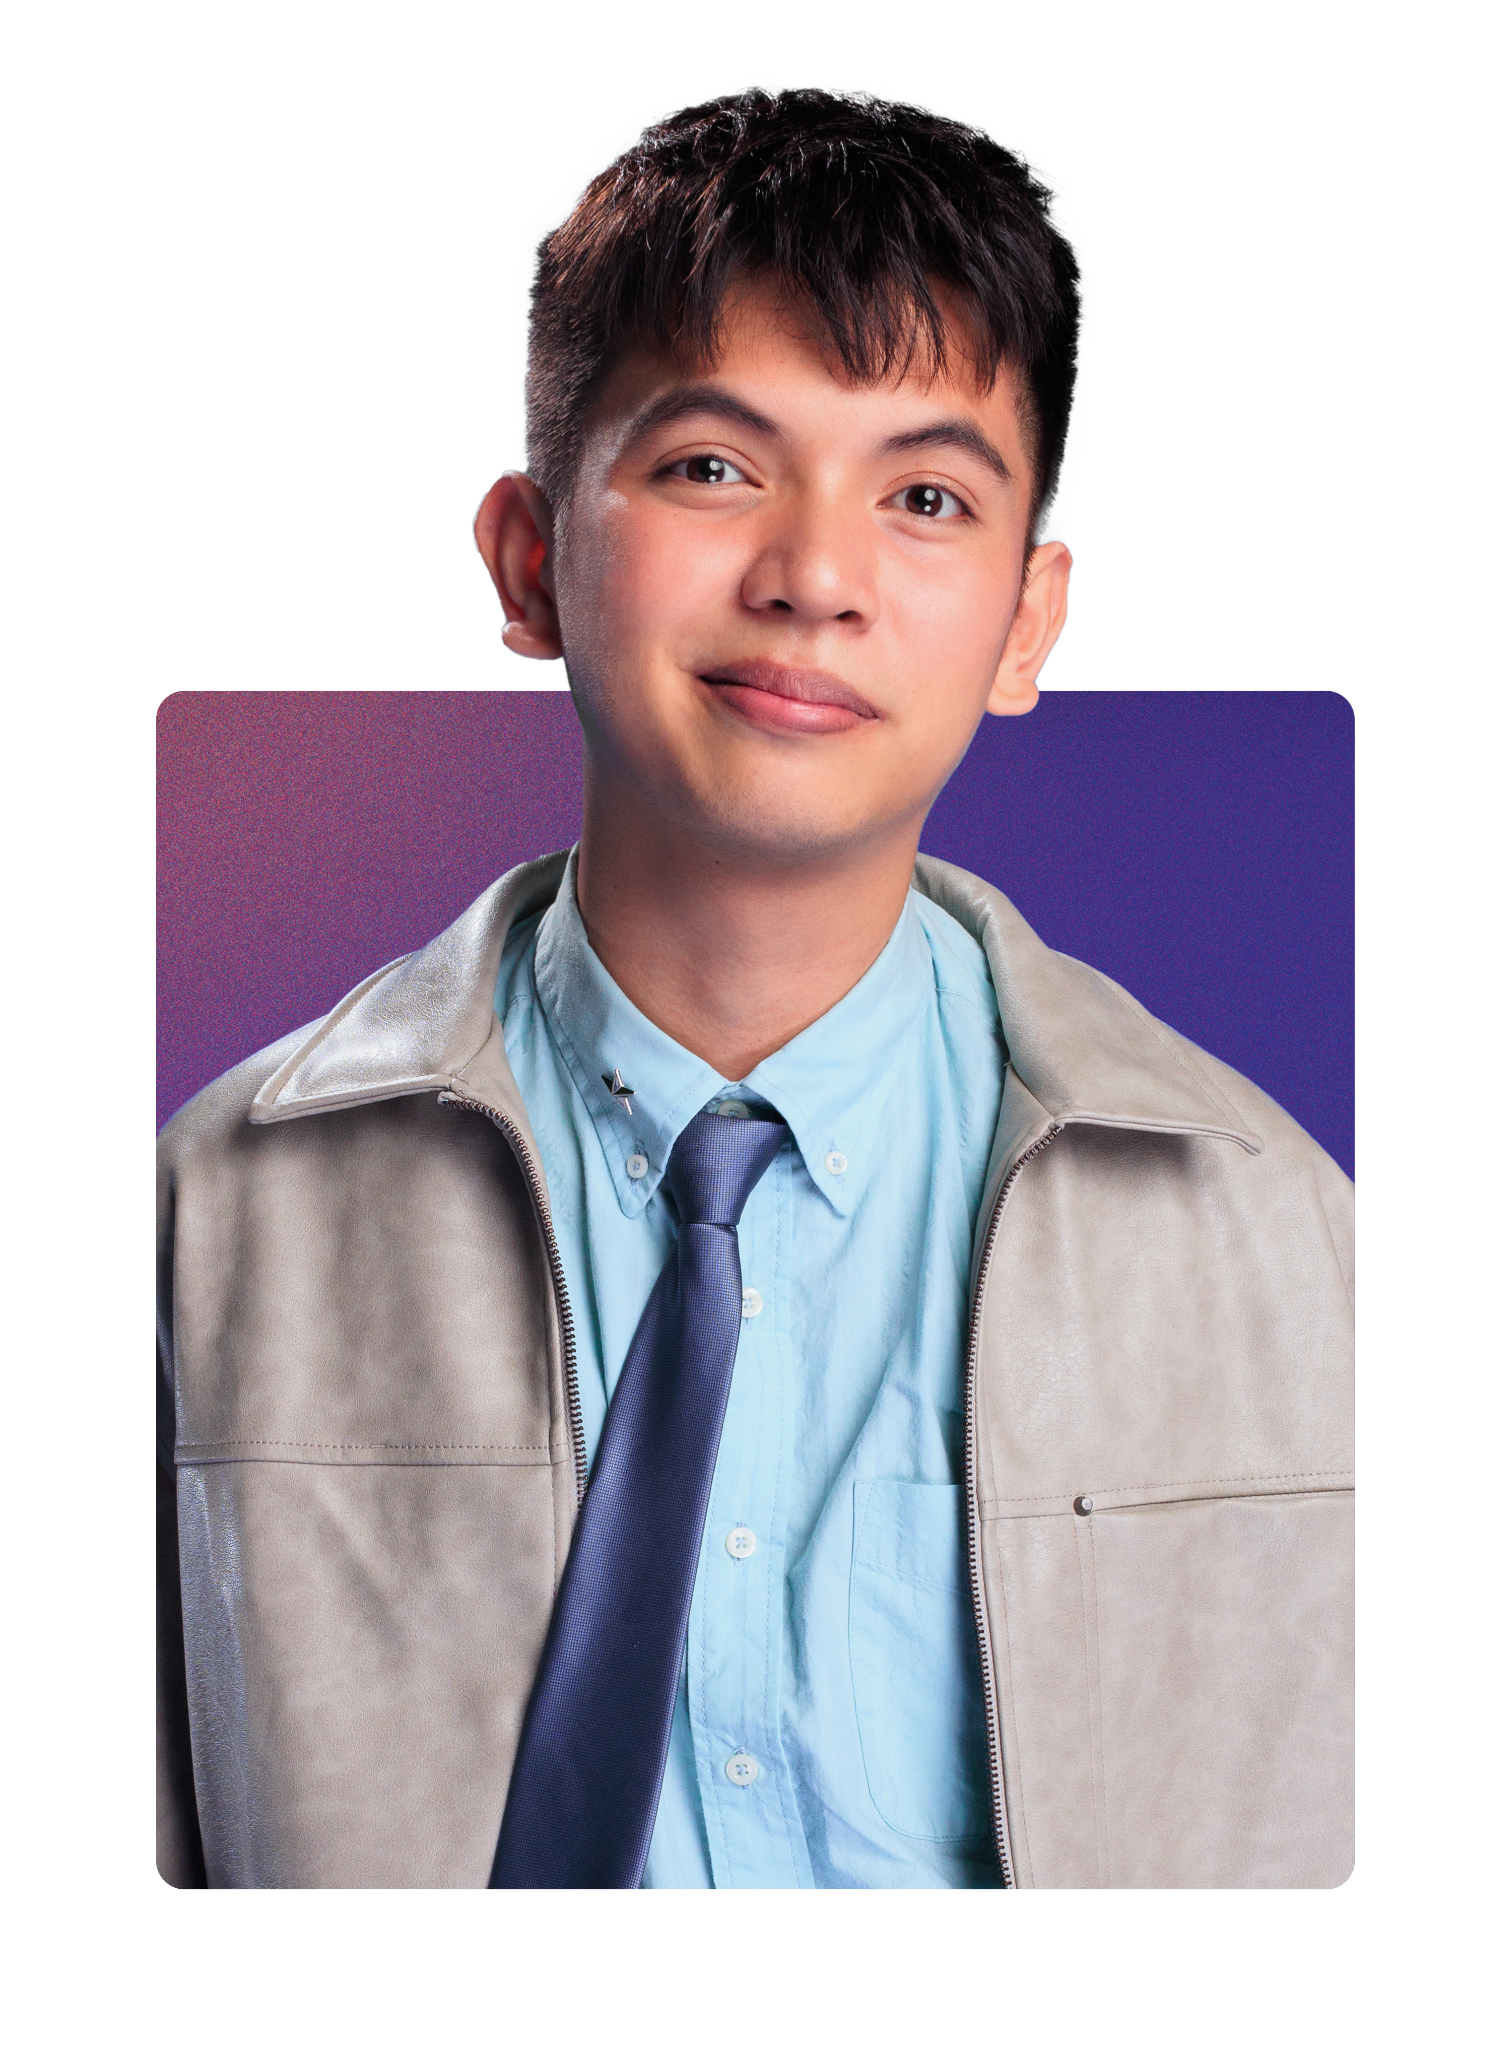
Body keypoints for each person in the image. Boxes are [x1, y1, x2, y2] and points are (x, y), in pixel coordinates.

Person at [155, 84, 1354, 1890]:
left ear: (1028, 621)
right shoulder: (211, 1218)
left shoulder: (1282, 1245)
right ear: (527, 562)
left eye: (926, 496)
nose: (812, 580)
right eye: (712, 466)